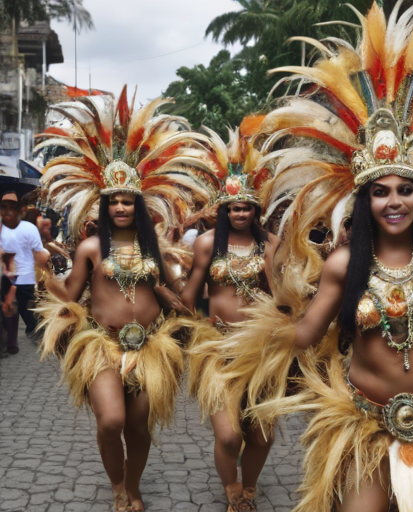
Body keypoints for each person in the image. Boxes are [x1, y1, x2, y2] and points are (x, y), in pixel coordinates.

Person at [207, 3, 413, 512]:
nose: (394, 201)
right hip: (364, 421)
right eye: (381, 192)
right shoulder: (343, 267)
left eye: (406, 190)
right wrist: (270, 313)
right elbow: (305, 335)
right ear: (364, 201)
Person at [37, 88, 219, 512]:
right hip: (102, 344)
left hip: (152, 346)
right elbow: (71, 296)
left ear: (138, 205)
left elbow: (177, 298)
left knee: (138, 429)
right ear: (104, 206)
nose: (120, 206)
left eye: (127, 201)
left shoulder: (155, 246)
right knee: (111, 421)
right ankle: (117, 484)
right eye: (114, 201)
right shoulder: (91, 249)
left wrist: (168, 289)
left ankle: (131, 487)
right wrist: (47, 276)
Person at [182, 171, 280, 512]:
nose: (241, 214)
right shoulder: (208, 243)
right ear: (224, 211)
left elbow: (282, 298)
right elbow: (190, 296)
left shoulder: (270, 243)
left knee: (261, 433)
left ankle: (249, 487)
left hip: (262, 349)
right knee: (228, 435)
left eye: (247, 208)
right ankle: (231, 488)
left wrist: (271, 268)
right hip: (218, 348)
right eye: (234, 209)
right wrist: (200, 316)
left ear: (256, 211)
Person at [0, 191, 49, 352]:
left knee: (15, 310)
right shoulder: (28, 227)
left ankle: (17, 341)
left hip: (16, 276)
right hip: (16, 277)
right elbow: (40, 253)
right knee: (19, 310)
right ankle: (19, 341)